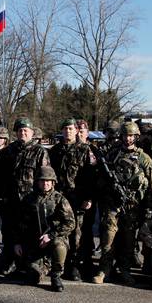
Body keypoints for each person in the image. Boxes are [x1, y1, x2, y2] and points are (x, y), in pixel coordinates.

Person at [92, 122, 152, 285]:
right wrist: (108, 188)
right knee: (108, 236)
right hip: (113, 205)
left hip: (133, 205)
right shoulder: (112, 155)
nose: (128, 139)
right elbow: (100, 178)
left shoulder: (144, 158)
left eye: (131, 136)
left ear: (136, 137)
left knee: (128, 240)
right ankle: (104, 269)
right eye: (125, 135)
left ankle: (125, 270)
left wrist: (150, 207)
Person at [0, 117, 50, 274]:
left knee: (29, 233)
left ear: (32, 133)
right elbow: (1, 176)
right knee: (9, 232)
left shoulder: (40, 152)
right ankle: (10, 261)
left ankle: (28, 263)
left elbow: (45, 177)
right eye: (20, 130)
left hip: (30, 201)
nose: (23, 133)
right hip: (11, 199)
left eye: (26, 131)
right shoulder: (8, 151)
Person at [14, 166, 75, 292]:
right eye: (42, 180)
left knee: (59, 245)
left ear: (53, 182)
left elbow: (70, 223)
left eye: (48, 181)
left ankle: (56, 276)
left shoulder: (60, 199)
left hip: (53, 240)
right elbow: (20, 223)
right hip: (35, 243)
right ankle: (44, 266)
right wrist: (18, 242)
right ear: (37, 182)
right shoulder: (29, 199)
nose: (45, 183)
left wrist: (51, 235)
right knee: (32, 277)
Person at [47, 118, 92, 281]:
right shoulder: (54, 151)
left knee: (77, 234)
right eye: (65, 128)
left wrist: (88, 197)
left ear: (76, 130)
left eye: (71, 129)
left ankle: (74, 266)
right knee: (59, 230)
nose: (68, 131)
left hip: (77, 199)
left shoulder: (85, 150)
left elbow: (91, 176)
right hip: (58, 199)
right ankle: (58, 264)